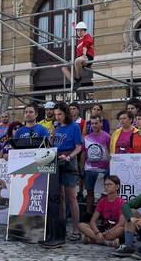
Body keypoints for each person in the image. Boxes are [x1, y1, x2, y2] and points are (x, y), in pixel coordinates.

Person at [51, 102, 83, 242]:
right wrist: (51, 138)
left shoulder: (74, 127)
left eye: (60, 114)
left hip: (69, 160)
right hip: (57, 160)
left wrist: (70, 157)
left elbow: (79, 147)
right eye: (56, 114)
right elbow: (52, 145)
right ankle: (61, 228)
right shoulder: (56, 128)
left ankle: (76, 230)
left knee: (71, 197)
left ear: (66, 113)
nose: (57, 117)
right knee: (60, 197)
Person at [77, 175, 125, 247]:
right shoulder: (102, 201)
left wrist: (105, 233)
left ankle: (93, 240)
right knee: (81, 225)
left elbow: (121, 223)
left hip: (113, 230)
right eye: (105, 185)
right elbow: (92, 221)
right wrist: (97, 233)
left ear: (117, 187)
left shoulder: (122, 202)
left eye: (109, 184)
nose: (106, 187)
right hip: (104, 228)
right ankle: (106, 242)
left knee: (121, 230)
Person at [83, 116, 110, 215]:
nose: (94, 125)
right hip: (89, 170)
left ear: (101, 123)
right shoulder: (87, 138)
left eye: (96, 123)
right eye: (92, 123)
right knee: (90, 193)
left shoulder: (107, 136)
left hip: (103, 170)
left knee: (104, 194)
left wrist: (110, 168)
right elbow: (83, 154)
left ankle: (101, 214)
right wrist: (82, 168)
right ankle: (88, 213)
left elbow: (110, 152)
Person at [60, 21, 93, 85]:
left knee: (77, 60)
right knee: (64, 68)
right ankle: (74, 83)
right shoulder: (79, 40)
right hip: (80, 58)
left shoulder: (88, 37)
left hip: (87, 57)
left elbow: (85, 48)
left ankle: (78, 78)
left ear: (84, 31)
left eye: (81, 31)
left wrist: (84, 55)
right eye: (77, 31)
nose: (79, 32)